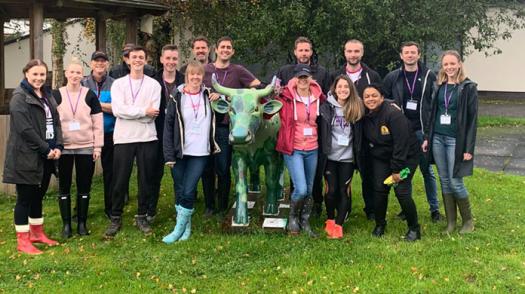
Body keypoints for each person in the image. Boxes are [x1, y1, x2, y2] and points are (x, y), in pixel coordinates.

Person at [3, 59, 62, 254]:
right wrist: (46, 149)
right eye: (35, 74)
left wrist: (58, 146)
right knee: (25, 199)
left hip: (47, 156)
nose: (39, 78)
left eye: (42, 74)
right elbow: (25, 130)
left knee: (38, 196)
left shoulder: (47, 95)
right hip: (26, 156)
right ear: (26, 74)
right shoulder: (19, 97)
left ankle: (37, 233)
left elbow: (56, 122)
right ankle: (23, 241)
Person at [104, 45, 161, 238]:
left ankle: (142, 215)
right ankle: (115, 217)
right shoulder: (118, 84)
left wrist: (135, 112)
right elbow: (118, 110)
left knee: (146, 179)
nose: (137, 60)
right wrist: (142, 111)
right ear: (127, 60)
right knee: (120, 179)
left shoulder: (154, 85)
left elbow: (152, 115)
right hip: (124, 138)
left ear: (146, 60)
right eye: (134, 57)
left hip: (147, 138)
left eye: (141, 57)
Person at [383, 41, 442, 222]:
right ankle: (404, 206)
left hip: (420, 132)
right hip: (400, 134)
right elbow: (382, 97)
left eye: (413, 52)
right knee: (400, 170)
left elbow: (434, 105)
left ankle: (434, 209)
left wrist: (427, 135)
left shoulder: (429, 76)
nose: (409, 55)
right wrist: (391, 104)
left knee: (427, 171)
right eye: (406, 52)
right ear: (401, 56)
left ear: (418, 55)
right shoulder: (393, 77)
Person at [162, 61, 220, 243]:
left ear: (203, 77)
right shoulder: (176, 97)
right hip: (180, 151)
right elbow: (168, 126)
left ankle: (177, 229)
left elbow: (230, 108)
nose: (195, 77)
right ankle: (186, 227)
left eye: (198, 74)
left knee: (189, 190)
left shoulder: (209, 95)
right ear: (187, 76)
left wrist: (220, 98)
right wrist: (169, 155)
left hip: (200, 152)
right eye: (192, 74)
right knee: (180, 189)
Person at [202, 36, 260, 215]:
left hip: (226, 125)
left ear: (232, 51)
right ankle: (209, 206)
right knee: (206, 168)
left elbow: (256, 86)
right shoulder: (205, 70)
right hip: (204, 125)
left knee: (223, 166)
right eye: (222, 47)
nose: (225, 50)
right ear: (216, 50)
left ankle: (222, 206)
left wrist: (229, 98)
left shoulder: (238, 70)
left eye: (229, 47)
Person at [422, 50, 478, 234]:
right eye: (446, 64)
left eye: (452, 64)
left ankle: (468, 221)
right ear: (442, 67)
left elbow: (472, 120)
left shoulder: (468, 87)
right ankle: (451, 223)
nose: (449, 67)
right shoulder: (439, 85)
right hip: (438, 137)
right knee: (444, 180)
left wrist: (468, 148)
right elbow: (432, 114)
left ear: (459, 64)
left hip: (456, 140)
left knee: (455, 182)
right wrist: (427, 138)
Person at [276, 36, 332, 216]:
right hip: (293, 135)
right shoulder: (285, 71)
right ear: (295, 52)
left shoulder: (322, 72)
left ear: (311, 51)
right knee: (297, 178)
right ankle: (297, 210)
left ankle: (316, 204)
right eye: (300, 50)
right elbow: (271, 89)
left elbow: (328, 97)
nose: (304, 53)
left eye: (307, 50)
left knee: (316, 173)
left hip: (317, 132)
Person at [361, 84, 421, 241]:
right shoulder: (366, 115)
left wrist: (396, 171)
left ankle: (414, 228)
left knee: (402, 190)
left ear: (382, 97)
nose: (370, 99)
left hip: (407, 159)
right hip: (382, 158)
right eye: (366, 96)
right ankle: (380, 224)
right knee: (380, 189)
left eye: (374, 95)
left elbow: (401, 144)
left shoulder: (393, 114)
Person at [332, 39, 382, 220]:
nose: (353, 55)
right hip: (341, 132)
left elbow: (378, 102)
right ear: (344, 53)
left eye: (356, 51)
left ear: (362, 53)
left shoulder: (372, 76)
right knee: (342, 173)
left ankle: (371, 210)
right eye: (349, 51)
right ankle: (344, 209)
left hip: (366, 130)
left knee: (368, 172)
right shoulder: (336, 75)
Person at [53, 58, 103, 237]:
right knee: (64, 186)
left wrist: (97, 146)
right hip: (63, 148)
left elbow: (98, 122)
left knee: (84, 186)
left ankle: (82, 223)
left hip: (86, 147)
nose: (75, 75)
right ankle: (66, 225)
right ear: (66, 73)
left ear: (83, 75)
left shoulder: (89, 95)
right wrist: (53, 146)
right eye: (71, 72)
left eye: (78, 72)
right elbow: (51, 122)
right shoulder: (56, 95)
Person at [276, 64, 325, 237]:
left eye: (306, 77)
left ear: (311, 79)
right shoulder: (286, 97)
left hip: (313, 147)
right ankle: (293, 218)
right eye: (300, 77)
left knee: (310, 189)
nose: (303, 80)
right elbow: (268, 111)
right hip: (294, 147)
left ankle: (305, 220)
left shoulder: (319, 97)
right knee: (301, 188)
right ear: (295, 79)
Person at [318, 75, 364, 239]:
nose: (343, 90)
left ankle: (339, 224)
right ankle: (330, 220)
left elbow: (377, 102)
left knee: (343, 191)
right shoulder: (325, 107)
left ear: (351, 89)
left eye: (346, 87)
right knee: (331, 191)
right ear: (334, 89)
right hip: (330, 157)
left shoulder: (357, 107)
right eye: (340, 87)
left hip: (348, 159)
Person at [150, 44, 185, 223]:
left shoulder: (184, 80)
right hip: (156, 132)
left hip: (178, 135)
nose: (171, 62)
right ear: (162, 59)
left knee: (179, 176)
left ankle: (181, 209)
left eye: (174, 58)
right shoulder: (152, 80)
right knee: (153, 174)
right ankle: (150, 210)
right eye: (168, 58)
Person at [81, 51, 115, 219]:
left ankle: (110, 209)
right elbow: (78, 108)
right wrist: (105, 106)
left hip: (110, 134)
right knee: (85, 174)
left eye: (103, 61)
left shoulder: (115, 84)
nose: (100, 64)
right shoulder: (82, 83)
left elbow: (117, 109)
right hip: (87, 135)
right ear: (91, 63)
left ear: (107, 64)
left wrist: (95, 104)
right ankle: (81, 211)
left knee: (110, 173)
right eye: (96, 61)